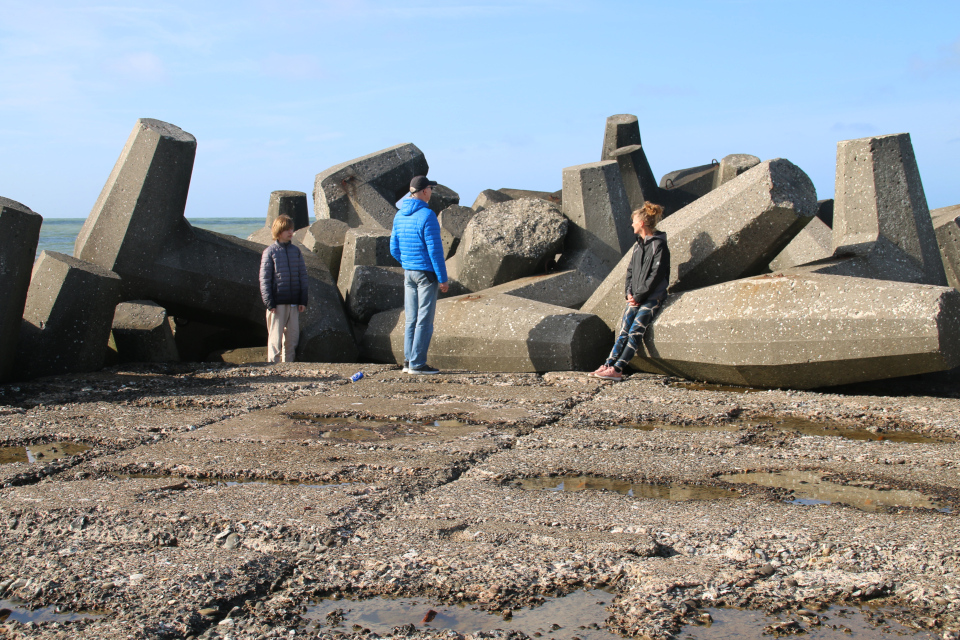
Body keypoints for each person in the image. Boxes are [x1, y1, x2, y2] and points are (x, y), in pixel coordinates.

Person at [591, 202, 670, 382]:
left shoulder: (659, 245)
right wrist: (629, 293)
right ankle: (608, 364)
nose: (632, 224)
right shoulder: (638, 246)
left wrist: (639, 296)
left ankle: (618, 369)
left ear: (642, 223)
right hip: (634, 297)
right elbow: (630, 272)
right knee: (624, 331)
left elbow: (656, 276)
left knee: (635, 332)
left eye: (634, 221)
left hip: (651, 298)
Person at [390, 175, 449, 375]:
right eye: (431, 188)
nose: (431, 192)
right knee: (424, 320)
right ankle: (417, 364)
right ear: (424, 191)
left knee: (411, 319)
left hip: (409, 273)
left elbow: (393, 249)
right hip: (426, 274)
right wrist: (442, 278)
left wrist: (408, 263)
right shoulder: (427, 215)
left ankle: (408, 361)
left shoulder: (399, 215)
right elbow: (435, 251)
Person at [259, 214, 308, 363]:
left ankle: (289, 368)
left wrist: (303, 301)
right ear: (279, 231)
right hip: (277, 304)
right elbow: (264, 280)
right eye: (287, 229)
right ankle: (273, 369)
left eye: (291, 229)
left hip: (294, 303)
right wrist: (270, 303)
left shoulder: (296, 251)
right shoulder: (270, 252)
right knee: (275, 340)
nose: (290, 232)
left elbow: (303, 277)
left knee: (292, 340)